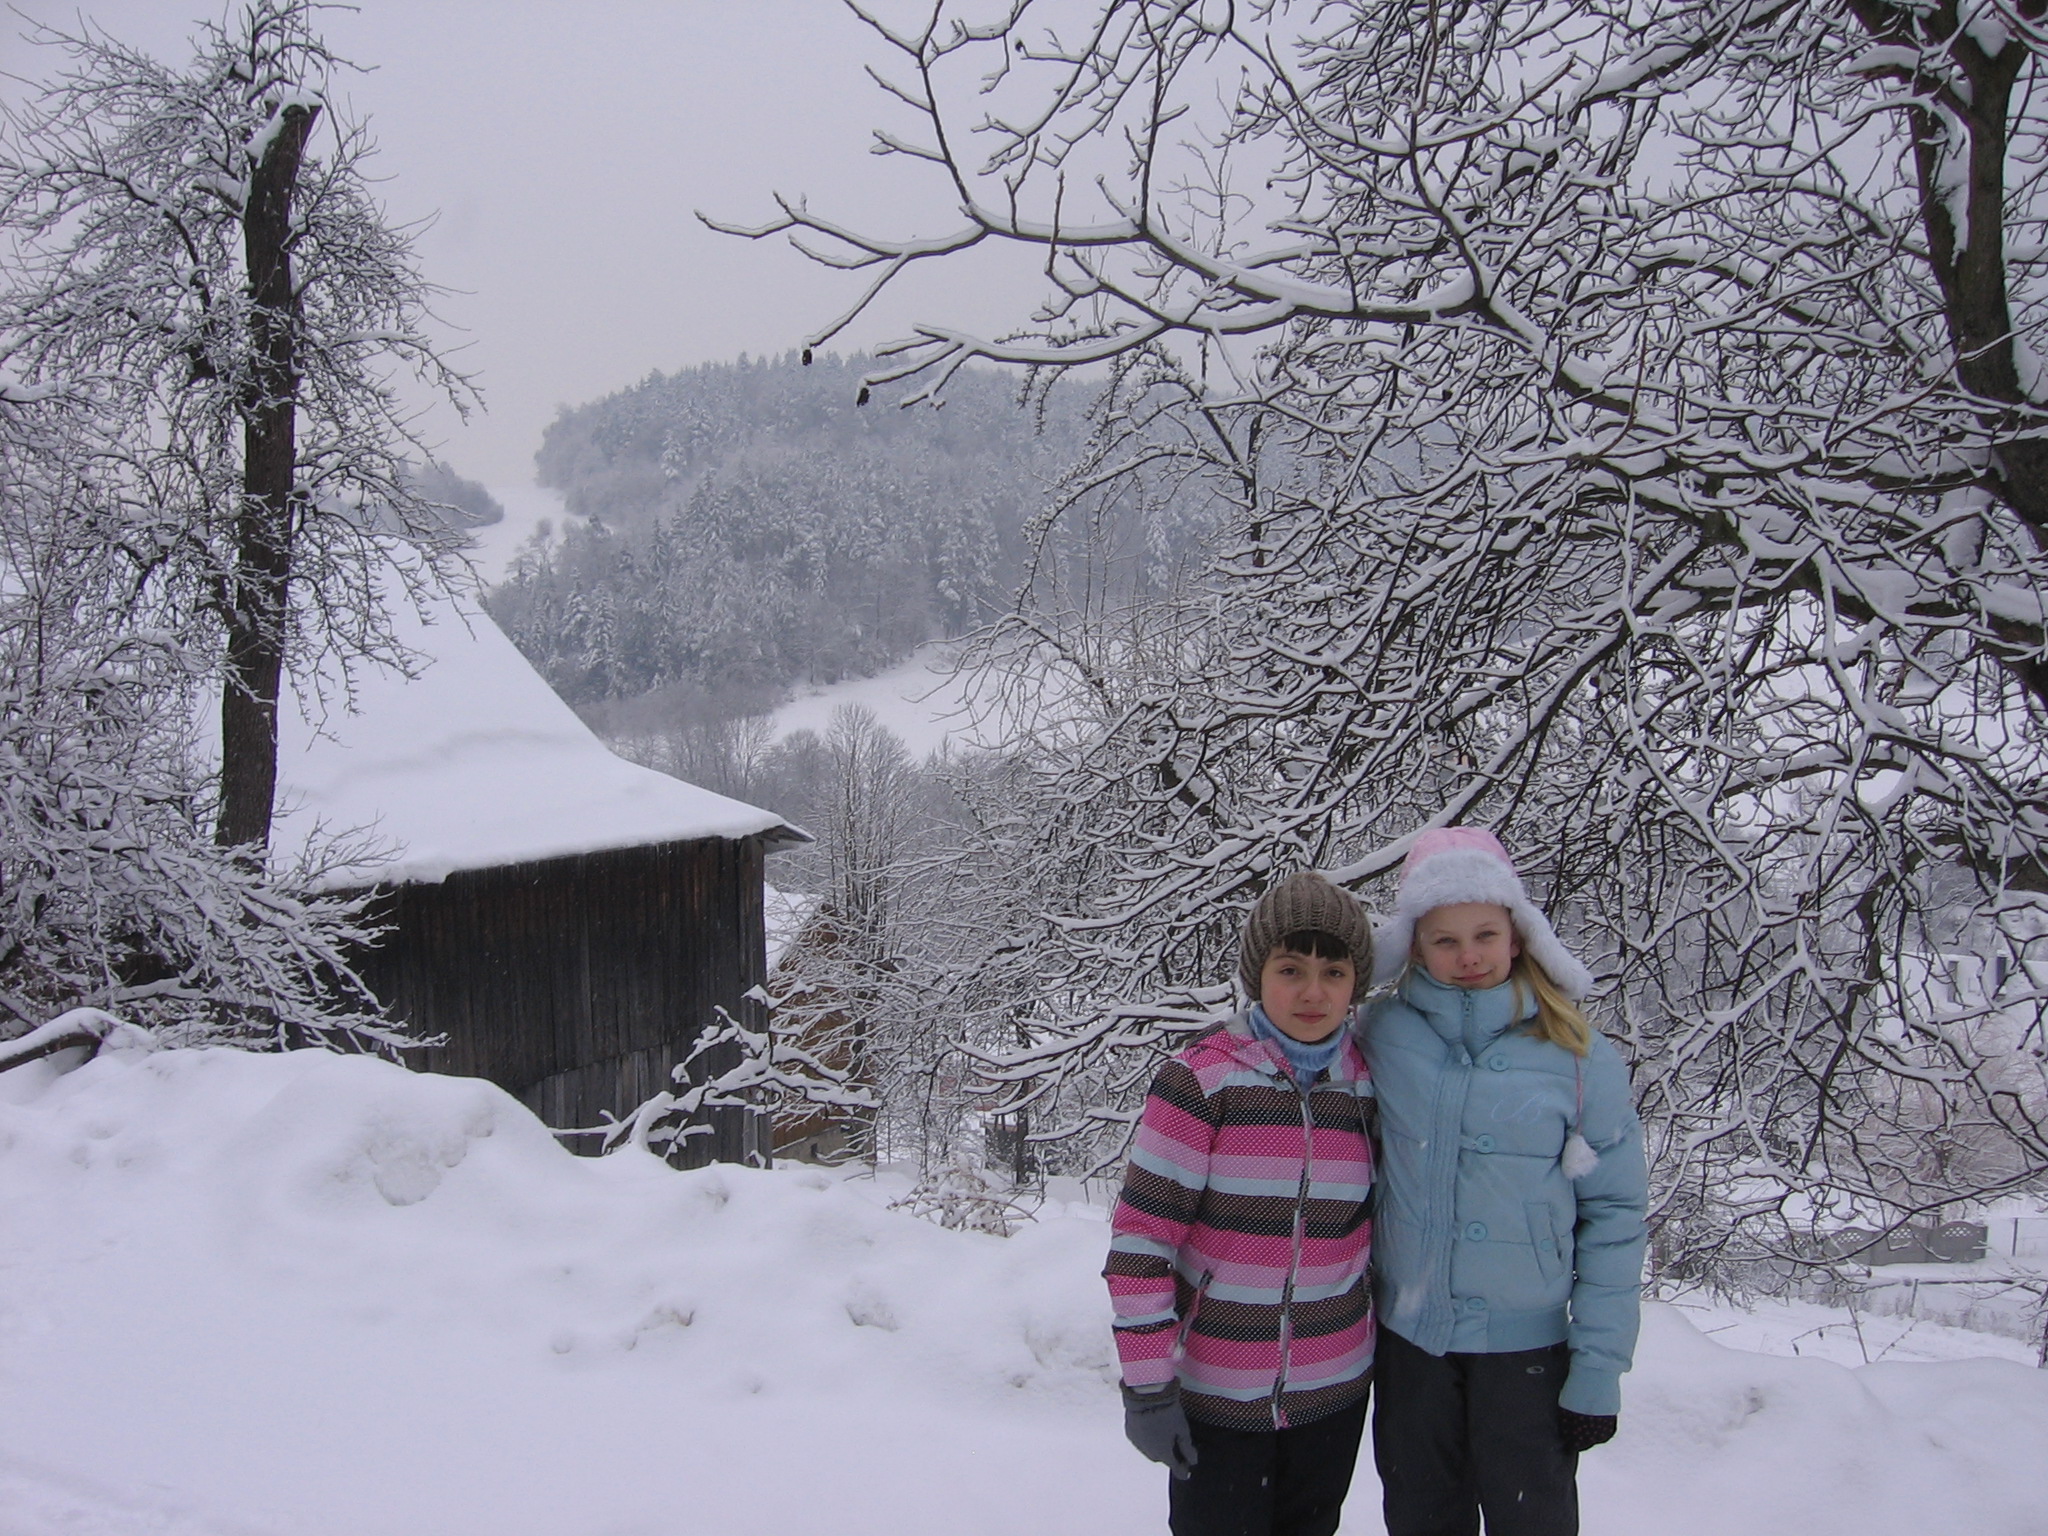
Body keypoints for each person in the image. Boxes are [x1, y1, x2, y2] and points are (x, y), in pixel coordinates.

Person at [1357, 827, 1647, 1536]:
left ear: (1517, 935)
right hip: (1412, 1350)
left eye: (1485, 934)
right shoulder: (1380, 1034)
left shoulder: (1576, 1053)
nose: (1468, 956)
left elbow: (1615, 1216)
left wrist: (1598, 1369)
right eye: (1445, 940)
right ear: (1413, 946)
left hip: (1526, 1360)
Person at [1104, 870, 1380, 1536]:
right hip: (1217, 1397)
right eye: (1291, 970)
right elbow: (1143, 1241)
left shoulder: (1370, 1085)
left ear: (1356, 984)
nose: (1313, 992)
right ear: (1258, 975)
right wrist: (1149, 1386)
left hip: (1334, 1393)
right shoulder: (1203, 1079)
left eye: (1334, 972)